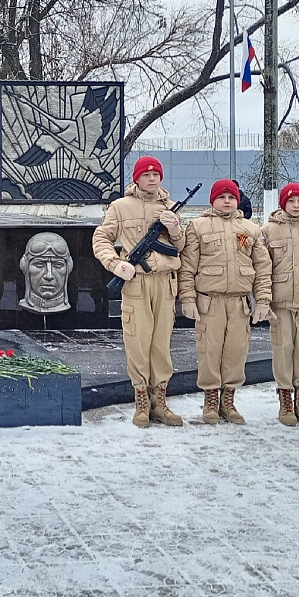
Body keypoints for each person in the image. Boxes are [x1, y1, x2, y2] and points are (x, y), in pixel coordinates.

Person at [91, 156, 186, 428]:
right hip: (136, 282)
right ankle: (142, 402)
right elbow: (101, 238)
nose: (152, 178)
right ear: (137, 178)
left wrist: (175, 228)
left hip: (165, 283)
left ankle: (160, 401)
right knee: (138, 342)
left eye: (157, 174)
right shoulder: (120, 207)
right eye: (147, 174)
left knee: (161, 344)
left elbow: (183, 245)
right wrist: (115, 263)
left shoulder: (169, 207)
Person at [179, 179, 272, 425]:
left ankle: (228, 400)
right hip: (209, 302)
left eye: (231, 197)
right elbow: (188, 266)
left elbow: (263, 268)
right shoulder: (197, 227)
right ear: (213, 200)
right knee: (209, 351)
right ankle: (210, 401)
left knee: (236, 352)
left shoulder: (251, 229)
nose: (227, 201)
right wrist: (187, 298)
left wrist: (263, 300)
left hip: (239, 303)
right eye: (222, 197)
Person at [260, 182, 299, 426]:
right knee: (283, 350)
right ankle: (285, 400)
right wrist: (264, 299)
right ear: (283, 203)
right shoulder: (268, 231)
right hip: (282, 302)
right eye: (291, 201)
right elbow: (263, 267)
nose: (295, 206)